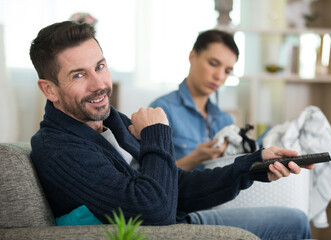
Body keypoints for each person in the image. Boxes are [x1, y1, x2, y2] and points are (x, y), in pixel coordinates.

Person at [29, 21, 313, 239]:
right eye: (79, 74)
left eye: (100, 66)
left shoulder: (112, 123)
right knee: (295, 223)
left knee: (294, 217)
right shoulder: (59, 149)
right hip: (169, 229)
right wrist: (157, 134)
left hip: (180, 220)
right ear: (49, 89)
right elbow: (154, 212)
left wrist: (253, 165)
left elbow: (179, 187)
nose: (98, 84)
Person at [150, 29, 240, 171]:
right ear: (192, 56)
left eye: (227, 71)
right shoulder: (161, 110)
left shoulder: (225, 121)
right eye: (213, 63)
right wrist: (195, 158)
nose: (219, 76)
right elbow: (152, 175)